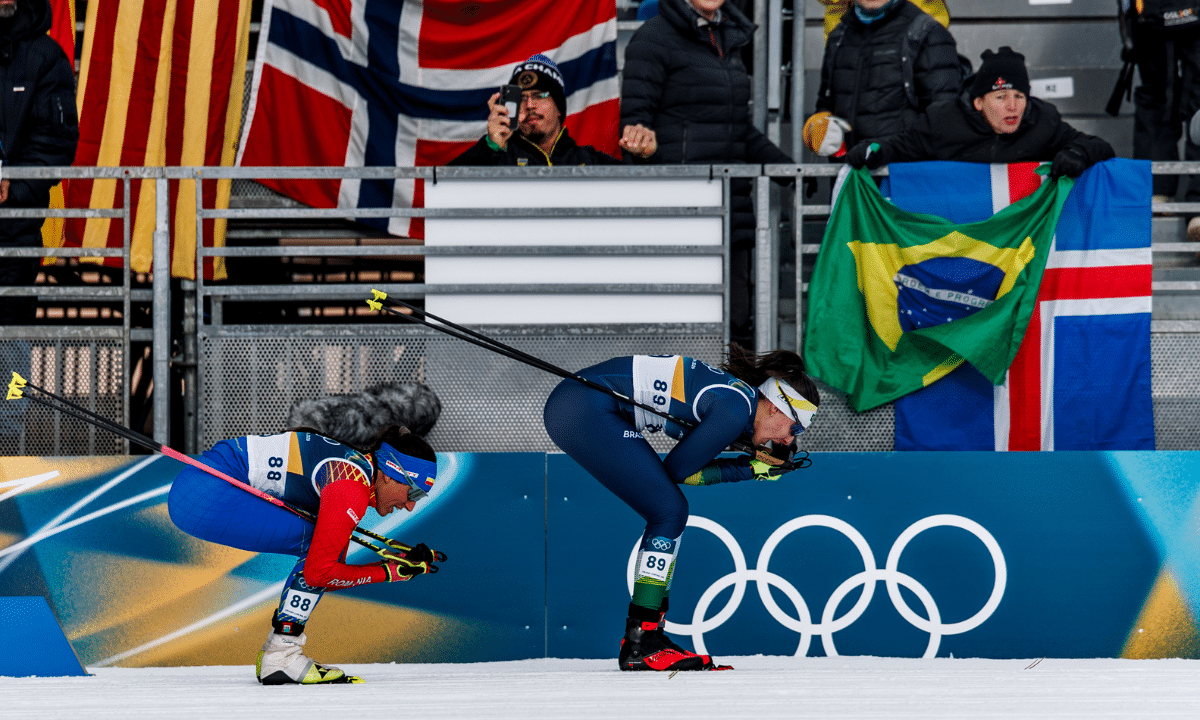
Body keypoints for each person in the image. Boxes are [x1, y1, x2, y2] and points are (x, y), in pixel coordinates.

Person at [542, 344, 819, 672]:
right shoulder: (734, 409)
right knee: (669, 510)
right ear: (775, 407)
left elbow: (688, 467)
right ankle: (642, 640)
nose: (788, 441)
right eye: (795, 428)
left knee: (669, 509)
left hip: (582, 403)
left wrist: (751, 462)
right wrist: (750, 468)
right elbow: (678, 471)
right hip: (585, 406)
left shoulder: (739, 405)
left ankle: (646, 635)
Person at [166, 425, 440, 685]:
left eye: (420, 497)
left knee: (328, 547)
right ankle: (281, 655)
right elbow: (318, 573)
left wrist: (389, 567)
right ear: (390, 473)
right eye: (413, 491)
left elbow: (323, 574)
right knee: (321, 550)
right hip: (205, 493)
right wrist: (387, 572)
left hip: (200, 487)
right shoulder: (350, 485)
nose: (411, 505)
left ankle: (281, 652)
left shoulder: (355, 471)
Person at [620, 0, 794, 348]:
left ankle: (734, 404)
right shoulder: (652, 38)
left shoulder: (727, 36)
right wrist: (643, 148)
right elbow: (635, 129)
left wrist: (787, 169)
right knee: (685, 336)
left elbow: (736, 129)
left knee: (737, 333)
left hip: (732, 214)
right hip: (682, 219)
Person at [844, 46, 1116, 177]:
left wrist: (1077, 154)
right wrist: (873, 149)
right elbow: (899, 147)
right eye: (1001, 97)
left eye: (1019, 96)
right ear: (978, 102)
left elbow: (1100, 147)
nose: (1013, 106)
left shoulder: (1042, 121)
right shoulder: (943, 120)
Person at [0, 0, 79, 326]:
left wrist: (14, 186)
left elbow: (56, 140)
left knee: (7, 347)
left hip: (11, 234)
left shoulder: (45, 56)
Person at [803, 0, 962, 159]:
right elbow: (825, 106)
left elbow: (943, 124)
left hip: (900, 178)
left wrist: (885, 151)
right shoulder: (838, 36)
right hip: (850, 179)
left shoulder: (927, 34)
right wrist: (817, 131)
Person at [449, 54, 657, 166]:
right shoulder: (498, 157)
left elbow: (640, 199)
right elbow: (446, 190)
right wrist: (490, 147)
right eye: (522, 98)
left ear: (559, 108)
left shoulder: (588, 160)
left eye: (540, 95)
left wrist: (644, 157)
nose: (530, 105)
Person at [1116, 1, 1200, 239]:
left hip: (1148, 16)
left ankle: (1157, 191)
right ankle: (1175, 198)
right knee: (1164, 95)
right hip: (1154, 15)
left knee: (1156, 95)